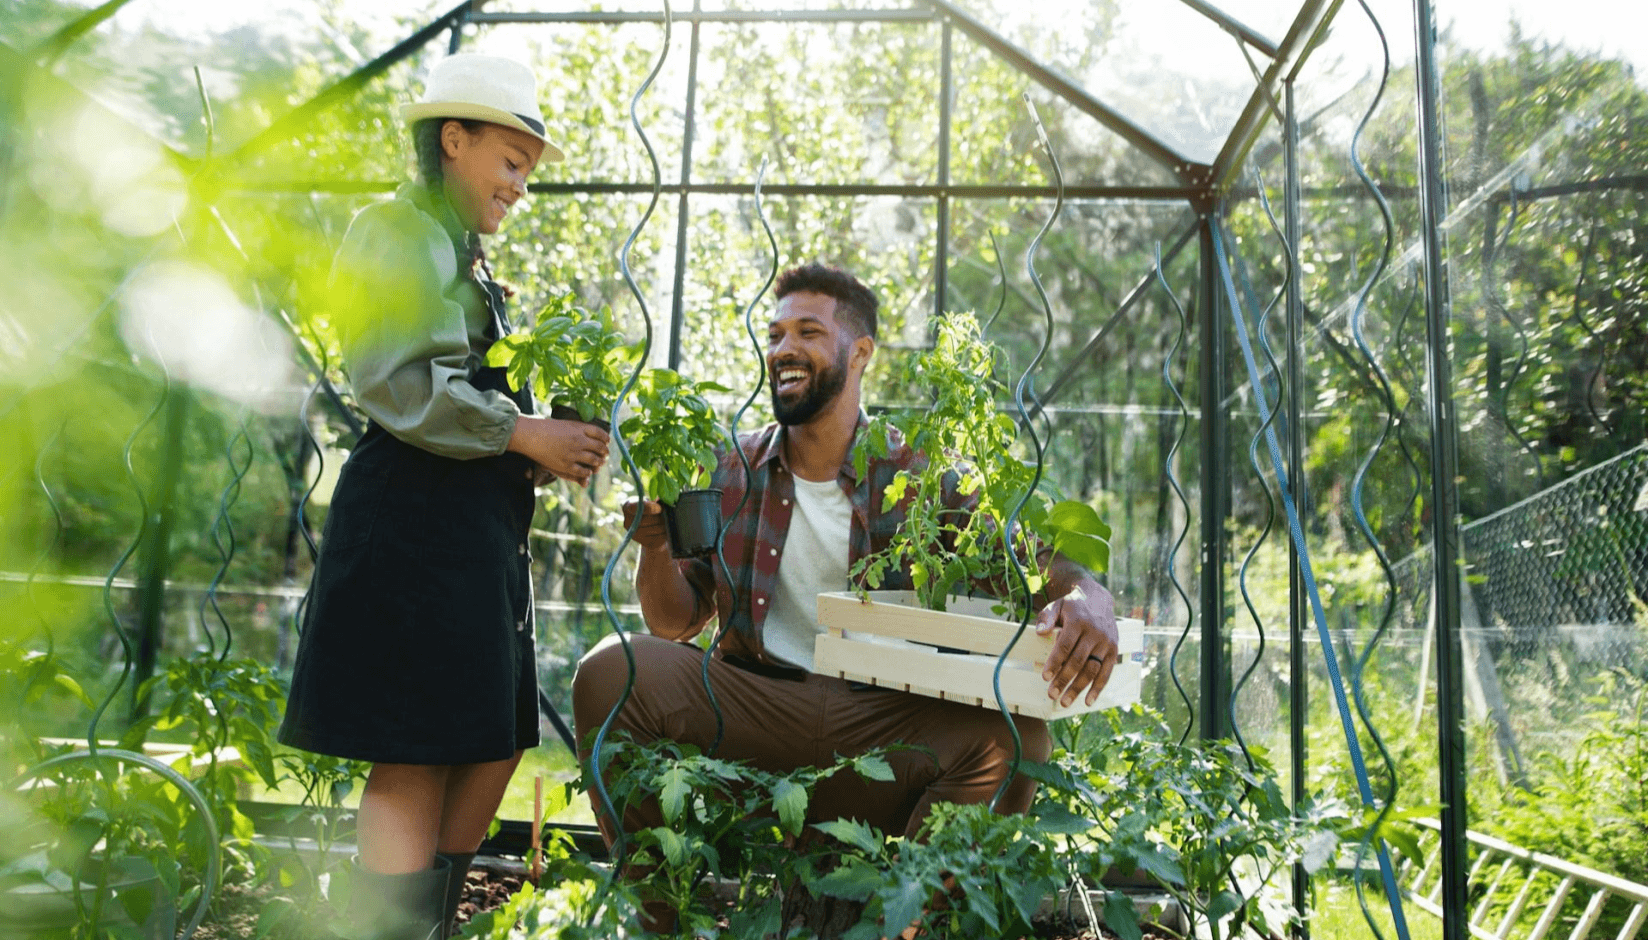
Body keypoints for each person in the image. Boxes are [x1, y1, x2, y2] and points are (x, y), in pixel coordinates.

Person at [572, 262, 1118, 925]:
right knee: (610, 670)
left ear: (860, 353)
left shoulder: (918, 473)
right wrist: (655, 544)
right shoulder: (730, 468)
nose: (782, 350)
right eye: (774, 335)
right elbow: (673, 622)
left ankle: (901, 922)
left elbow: (1029, 564)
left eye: (807, 331)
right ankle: (663, 920)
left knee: (1020, 740)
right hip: (755, 708)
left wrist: (1090, 597)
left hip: (879, 727)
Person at [278, 53, 609, 940]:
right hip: (414, 521)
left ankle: (423, 926)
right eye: (510, 161)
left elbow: (465, 393)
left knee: (493, 738)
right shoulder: (398, 228)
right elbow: (399, 382)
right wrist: (522, 433)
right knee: (417, 751)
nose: (518, 187)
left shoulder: (459, 251)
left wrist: (540, 446)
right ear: (452, 140)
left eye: (528, 172)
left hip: (471, 526)